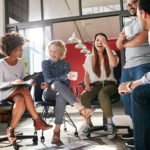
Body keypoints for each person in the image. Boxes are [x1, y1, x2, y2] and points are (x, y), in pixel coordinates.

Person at [0, 33, 53, 144]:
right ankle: (37, 120)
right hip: (3, 92)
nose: (22, 51)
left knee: (21, 101)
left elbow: (23, 79)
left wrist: (29, 82)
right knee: (23, 91)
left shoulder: (20, 62)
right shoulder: (1, 64)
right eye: (19, 49)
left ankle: (11, 130)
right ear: (12, 49)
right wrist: (12, 83)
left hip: (17, 92)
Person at [41, 40, 94, 144]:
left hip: (61, 93)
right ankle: (81, 108)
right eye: (51, 51)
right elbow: (48, 80)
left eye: (55, 51)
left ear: (61, 53)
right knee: (56, 84)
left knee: (61, 96)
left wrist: (65, 79)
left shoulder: (66, 64)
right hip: (48, 94)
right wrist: (64, 77)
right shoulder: (45, 63)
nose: (52, 54)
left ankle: (56, 131)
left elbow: (67, 84)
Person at [116, 0, 150, 147]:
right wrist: (122, 41)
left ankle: (142, 136)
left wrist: (124, 43)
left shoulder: (145, 20)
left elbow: (142, 38)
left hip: (143, 64)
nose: (130, 6)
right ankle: (141, 131)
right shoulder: (128, 25)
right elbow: (118, 45)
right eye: (128, 4)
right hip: (128, 66)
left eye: (133, 2)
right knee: (126, 99)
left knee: (139, 96)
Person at [80, 33, 119, 139]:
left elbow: (114, 63)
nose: (99, 42)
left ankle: (110, 124)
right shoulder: (89, 58)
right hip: (95, 86)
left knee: (103, 94)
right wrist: (86, 84)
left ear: (106, 42)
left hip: (109, 85)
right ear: (94, 43)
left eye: (102, 40)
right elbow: (86, 75)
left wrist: (107, 46)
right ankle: (88, 123)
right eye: (97, 40)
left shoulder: (112, 53)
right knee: (84, 96)